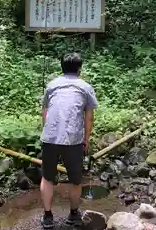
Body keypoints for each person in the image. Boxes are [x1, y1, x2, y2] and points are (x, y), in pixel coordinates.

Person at [40, 52, 98, 229]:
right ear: (79, 69)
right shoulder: (85, 87)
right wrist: (86, 140)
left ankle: (48, 217)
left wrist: (49, 132)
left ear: (62, 68)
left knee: (47, 178)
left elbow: (45, 112)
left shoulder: (52, 85)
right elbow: (89, 118)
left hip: (49, 137)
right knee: (75, 180)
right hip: (73, 139)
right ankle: (73, 214)